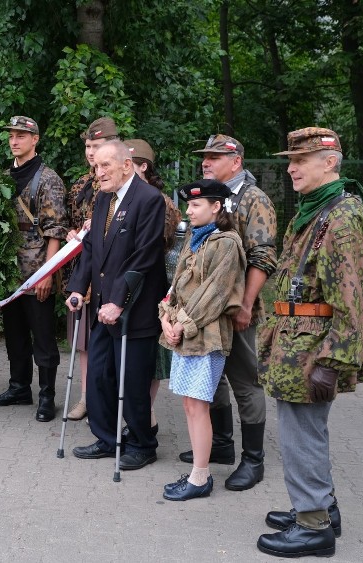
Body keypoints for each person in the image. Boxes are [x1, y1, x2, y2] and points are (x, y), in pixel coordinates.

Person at [256, 128, 363, 558]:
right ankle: (320, 508)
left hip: (313, 349)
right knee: (303, 433)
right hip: (297, 342)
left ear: (329, 162)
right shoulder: (318, 211)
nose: (290, 167)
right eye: (290, 159)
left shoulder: (341, 218)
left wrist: (335, 361)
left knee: (300, 437)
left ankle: (313, 527)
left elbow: (351, 299)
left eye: (300, 160)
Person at [178, 134, 277, 492]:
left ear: (235, 161)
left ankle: (253, 460)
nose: (206, 161)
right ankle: (220, 444)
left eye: (214, 157)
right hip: (207, 312)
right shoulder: (208, 196)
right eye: (204, 156)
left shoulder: (254, 199)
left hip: (237, 311)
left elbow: (263, 258)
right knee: (211, 379)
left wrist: (246, 305)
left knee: (244, 380)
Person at [66, 140, 167, 469]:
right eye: (96, 167)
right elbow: (91, 248)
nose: (99, 172)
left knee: (132, 381)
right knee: (98, 375)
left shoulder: (149, 199)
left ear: (127, 165)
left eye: (105, 165)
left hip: (133, 310)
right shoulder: (102, 200)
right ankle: (108, 438)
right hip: (101, 308)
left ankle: (142, 443)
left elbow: (145, 255)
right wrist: (78, 288)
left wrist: (119, 302)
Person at [159, 179, 246, 500]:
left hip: (206, 335)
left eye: (196, 205)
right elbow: (177, 284)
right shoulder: (195, 239)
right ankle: (199, 472)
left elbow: (216, 293)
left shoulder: (226, 242)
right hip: (186, 333)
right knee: (189, 404)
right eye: (189, 205)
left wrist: (180, 323)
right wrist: (165, 315)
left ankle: (200, 478)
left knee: (198, 405)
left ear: (216, 207)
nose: (189, 210)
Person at [0, 116, 68, 422]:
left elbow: (56, 230)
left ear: (35, 139)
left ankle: (47, 396)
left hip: (36, 273)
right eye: (12, 135)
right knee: (15, 334)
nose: (14, 140)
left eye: (22, 135)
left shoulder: (48, 179)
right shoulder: (6, 177)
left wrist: (47, 273)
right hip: (10, 273)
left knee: (43, 338)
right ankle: (19, 386)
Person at [124, 139, 181, 435]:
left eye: (128, 165)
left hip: (154, 291)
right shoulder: (127, 199)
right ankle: (141, 419)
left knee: (150, 360)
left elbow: (155, 253)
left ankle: (145, 420)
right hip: (133, 290)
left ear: (143, 166)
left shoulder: (158, 202)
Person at [63, 117, 119, 421]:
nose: (91, 152)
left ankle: (106, 400)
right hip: (82, 277)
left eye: (96, 146)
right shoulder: (81, 185)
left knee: (107, 341)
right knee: (82, 340)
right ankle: (86, 397)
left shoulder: (120, 182)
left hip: (108, 276)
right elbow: (70, 221)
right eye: (87, 146)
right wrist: (73, 233)